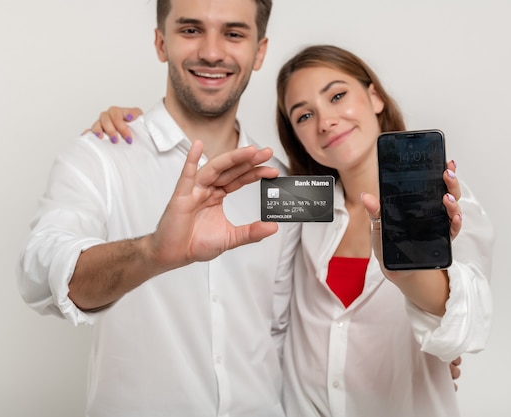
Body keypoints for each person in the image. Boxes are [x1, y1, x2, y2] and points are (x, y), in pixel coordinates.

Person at [92, 45, 493, 416]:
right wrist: (138, 135)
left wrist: (407, 266)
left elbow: (463, 326)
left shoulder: (445, 205)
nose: (325, 121)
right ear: (296, 135)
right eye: (304, 115)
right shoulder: (306, 200)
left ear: (375, 97)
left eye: (337, 96)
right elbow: (202, 193)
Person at [17, 1, 302, 416]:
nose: (211, 51)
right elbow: (39, 273)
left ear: (259, 51)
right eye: (190, 30)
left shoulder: (281, 181)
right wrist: (151, 253)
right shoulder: (99, 157)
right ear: (160, 41)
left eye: (234, 34)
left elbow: (278, 329)